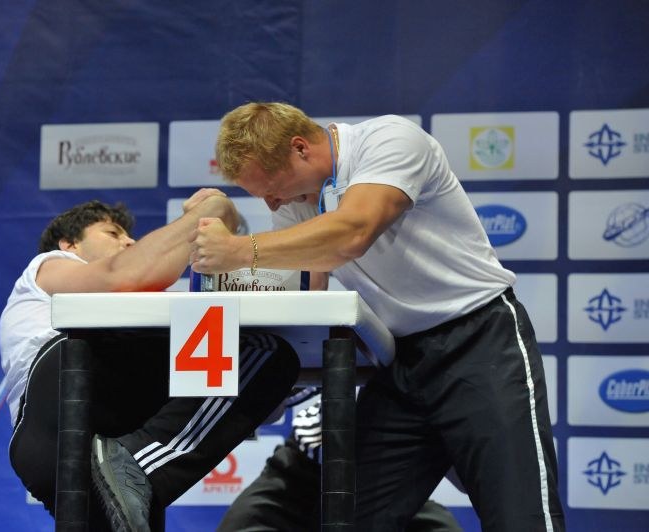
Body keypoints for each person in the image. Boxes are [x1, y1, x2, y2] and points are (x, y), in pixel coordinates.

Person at [191, 102, 564, 531]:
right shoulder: (295, 198)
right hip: (400, 362)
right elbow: (309, 296)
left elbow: (353, 232)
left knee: (522, 519)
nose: (270, 201)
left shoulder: (389, 139)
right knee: (347, 520)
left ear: (300, 149)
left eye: (270, 189)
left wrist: (239, 250)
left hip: (479, 343)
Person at [0, 189, 299, 531]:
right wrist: (213, 212)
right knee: (263, 351)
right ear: (70, 245)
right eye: (113, 234)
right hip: (59, 409)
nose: (128, 242)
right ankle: (137, 468)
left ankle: (134, 469)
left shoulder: (137, 309)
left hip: (89, 443)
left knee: (248, 358)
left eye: (130, 235)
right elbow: (128, 273)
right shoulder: (52, 266)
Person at [217, 393, 463, 532]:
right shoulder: (320, 310)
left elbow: (465, 483)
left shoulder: (432, 329)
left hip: (386, 478)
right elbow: (272, 411)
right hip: (302, 471)